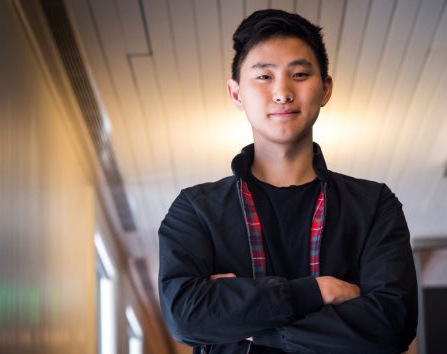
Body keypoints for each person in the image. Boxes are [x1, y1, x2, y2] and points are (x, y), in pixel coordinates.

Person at [158, 9, 417, 354]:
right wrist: (318, 292)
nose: (282, 93)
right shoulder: (196, 209)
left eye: (298, 74)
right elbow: (185, 316)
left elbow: (392, 324)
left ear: (325, 89)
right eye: (264, 77)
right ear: (236, 93)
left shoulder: (372, 205)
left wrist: (249, 324)